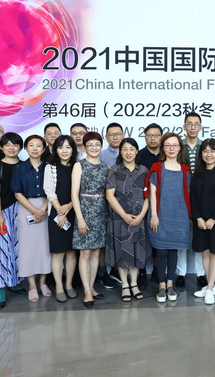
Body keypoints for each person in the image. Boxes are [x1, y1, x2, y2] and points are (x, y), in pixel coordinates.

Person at [146, 133, 191, 303]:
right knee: (161, 251)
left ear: (180, 148)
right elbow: (152, 193)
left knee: (173, 250)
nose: (171, 148)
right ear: (163, 148)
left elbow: (188, 193)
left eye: (175, 145)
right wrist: (154, 215)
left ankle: (170, 285)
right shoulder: (157, 167)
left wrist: (190, 216)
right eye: (168, 145)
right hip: (160, 214)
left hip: (180, 215)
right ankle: (161, 286)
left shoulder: (185, 169)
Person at [105, 138, 150, 302]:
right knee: (122, 252)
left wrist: (141, 216)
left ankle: (134, 284)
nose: (128, 152)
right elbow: (109, 195)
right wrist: (124, 215)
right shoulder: (114, 170)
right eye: (125, 149)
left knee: (136, 252)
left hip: (139, 217)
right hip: (119, 218)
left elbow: (148, 196)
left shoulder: (144, 170)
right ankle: (125, 285)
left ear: (137, 151)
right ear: (120, 152)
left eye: (132, 149)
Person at [11, 135, 52, 302]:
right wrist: (34, 210)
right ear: (26, 148)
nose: (35, 149)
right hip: (26, 208)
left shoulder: (49, 167)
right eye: (31, 145)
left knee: (45, 247)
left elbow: (53, 190)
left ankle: (43, 283)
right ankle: (32, 285)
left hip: (46, 207)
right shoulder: (19, 168)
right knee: (27, 248)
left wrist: (42, 209)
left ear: (44, 149)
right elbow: (17, 192)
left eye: (39, 145)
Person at [190, 139, 215, 305]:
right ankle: (210, 286)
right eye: (205, 151)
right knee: (205, 253)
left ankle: (209, 289)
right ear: (201, 154)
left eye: (212, 151)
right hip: (200, 221)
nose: (209, 154)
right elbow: (193, 198)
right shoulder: (197, 173)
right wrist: (198, 218)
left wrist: (213, 218)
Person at [71, 132, 109, 308]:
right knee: (85, 253)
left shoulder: (106, 167)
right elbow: (74, 194)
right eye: (90, 145)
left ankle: (92, 287)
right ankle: (86, 290)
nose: (94, 148)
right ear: (85, 147)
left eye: (97, 144)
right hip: (84, 211)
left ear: (101, 146)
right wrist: (80, 218)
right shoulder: (79, 165)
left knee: (96, 252)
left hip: (101, 211)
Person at [0, 132, 24, 309]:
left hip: (23, 211)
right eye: (8, 144)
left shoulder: (24, 165)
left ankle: (14, 281)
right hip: (3, 212)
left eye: (15, 144)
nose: (11, 148)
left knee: (19, 249)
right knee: (2, 249)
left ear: (20, 147)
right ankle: (0, 289)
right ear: (2, 147)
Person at [44, 135, 78, 303]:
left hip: (74, 212)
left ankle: (69, 284)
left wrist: (69, 207)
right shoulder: (50, 168)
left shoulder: (78, 167)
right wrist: (60, 212)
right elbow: (49, 191)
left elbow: (80, 191)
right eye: (60, 147)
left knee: (71, 252)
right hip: (56, 213)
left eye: (68, 147)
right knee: (58, 252)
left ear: (73, 150)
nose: (64, 151)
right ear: (55, 150)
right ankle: (59, 286)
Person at [178, 112, 206, 288]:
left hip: (202, 197)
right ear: (184, 127)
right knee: (182, 236)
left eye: (196, 124)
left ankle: (200, 273)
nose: (193, 127)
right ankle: (180, 273)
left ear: (201, 127)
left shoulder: (205, 146)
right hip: (181, 196)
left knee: (200, 236)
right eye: (190, 124)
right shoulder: (178, 146)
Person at [137, 123, 162, 285]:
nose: (153, 138)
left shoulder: (166, 154)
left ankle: (157, 271)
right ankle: (141, 272)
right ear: (145, 137)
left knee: (157, 236)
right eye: (149, 135)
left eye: (156, 135)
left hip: (162, 203)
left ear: (161, 137)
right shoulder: (139, 155)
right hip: (141, 202)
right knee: (141, 238)